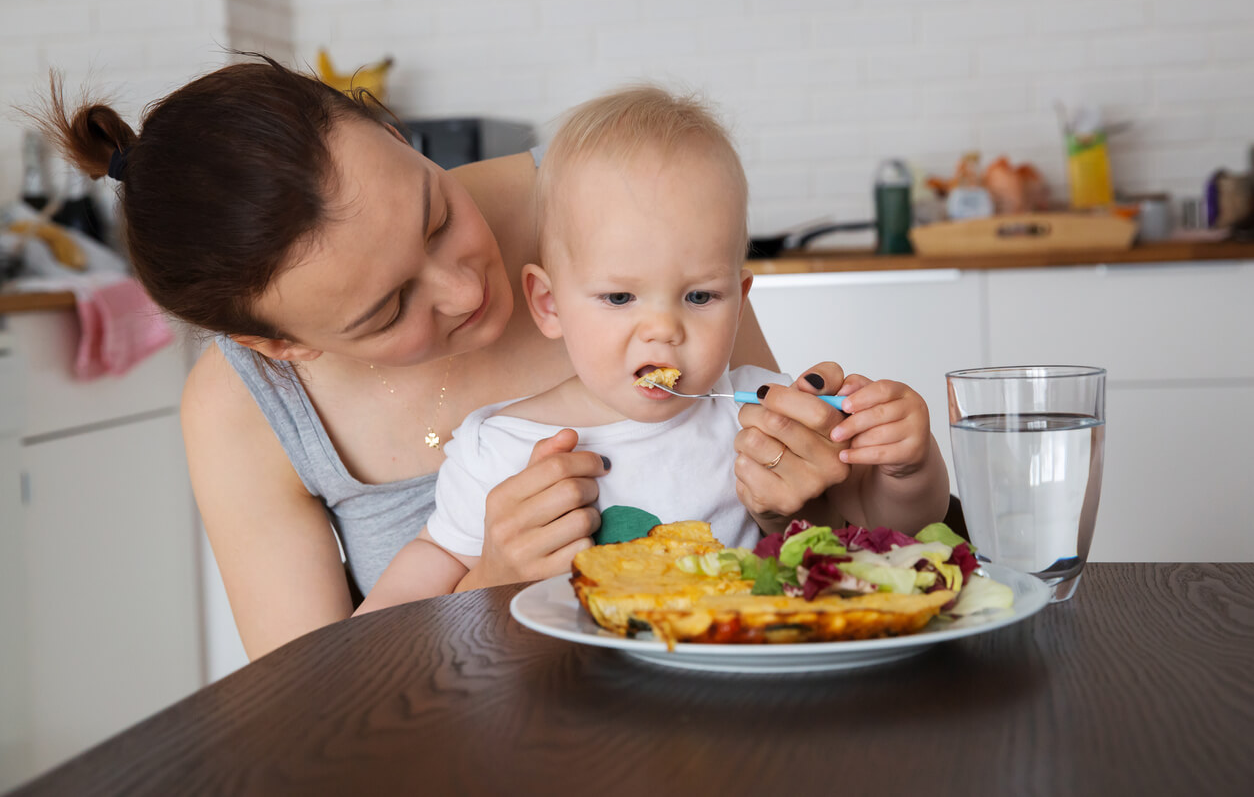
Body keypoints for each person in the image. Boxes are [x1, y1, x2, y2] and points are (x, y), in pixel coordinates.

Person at [31, 57, 942, 658]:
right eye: (390, 308)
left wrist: (827, 460)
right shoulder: (241, 413)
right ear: (281, 346)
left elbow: (820, 507)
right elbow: (309, 711)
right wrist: (489, 584)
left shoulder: (613, 200)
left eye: (433, 210)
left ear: (394, 134)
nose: (467, 288)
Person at [357, 86, 950, 614]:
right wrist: (486, 575)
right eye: (619, 296)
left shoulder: (762, 415)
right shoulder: (497, 449)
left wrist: (907, 465)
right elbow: (398, 616)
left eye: (699, 295)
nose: (663, 329)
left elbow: (889, 528)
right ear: (550, 304)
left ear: (739, 299)